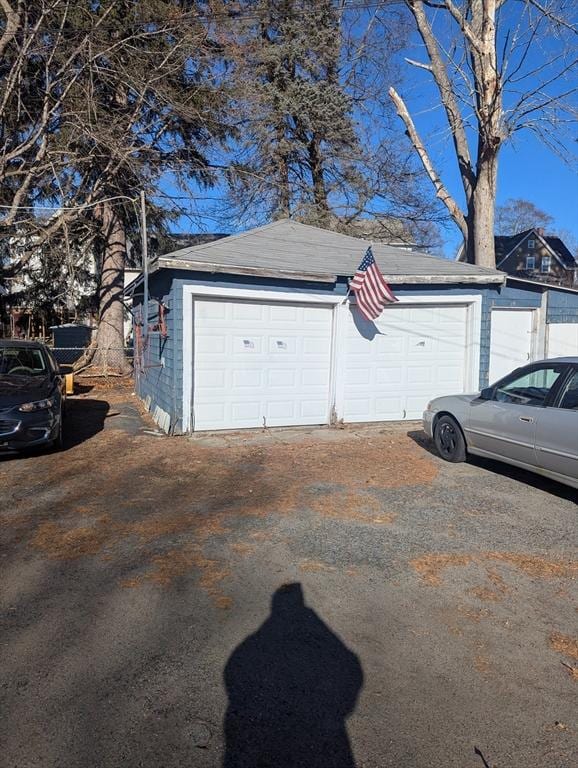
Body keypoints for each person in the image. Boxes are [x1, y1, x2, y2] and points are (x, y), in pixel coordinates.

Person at [223, 583, 363, 768]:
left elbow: (232, 673)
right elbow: (351, 665)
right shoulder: (315, 631)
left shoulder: (252, 644)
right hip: (324, 742)